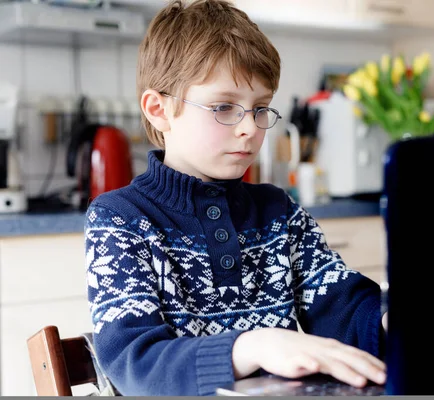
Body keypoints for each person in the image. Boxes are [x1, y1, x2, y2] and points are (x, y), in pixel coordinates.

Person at [84, 0, 387, 395]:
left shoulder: (279, 213)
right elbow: (135, 365)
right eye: (224, 106)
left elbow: (345, 315)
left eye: (260, 108)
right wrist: (254, 345)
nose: (250, 128)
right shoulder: (119, 219)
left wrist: (387, 318)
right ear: (159, 110)